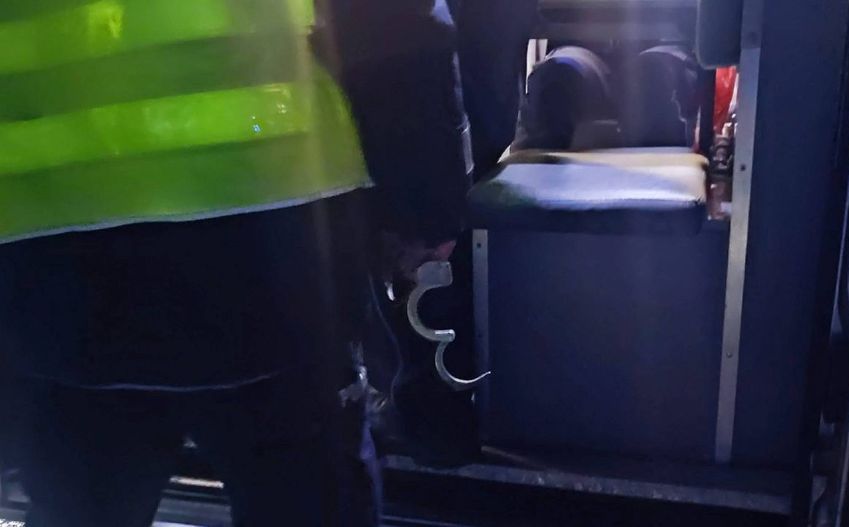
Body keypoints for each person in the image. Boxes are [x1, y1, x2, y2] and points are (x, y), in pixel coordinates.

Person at [0, 1, 405, 525]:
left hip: (54, 261)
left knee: (80, 497)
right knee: (304, 492)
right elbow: (395, 29)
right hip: (271, 248)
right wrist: (423, 208)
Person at [318, 0, 539, 465]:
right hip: (439, 87)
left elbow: (400, 37)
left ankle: (427, 409)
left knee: (417, 255)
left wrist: (428, 212)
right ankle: (435, 405)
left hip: (399, 85)